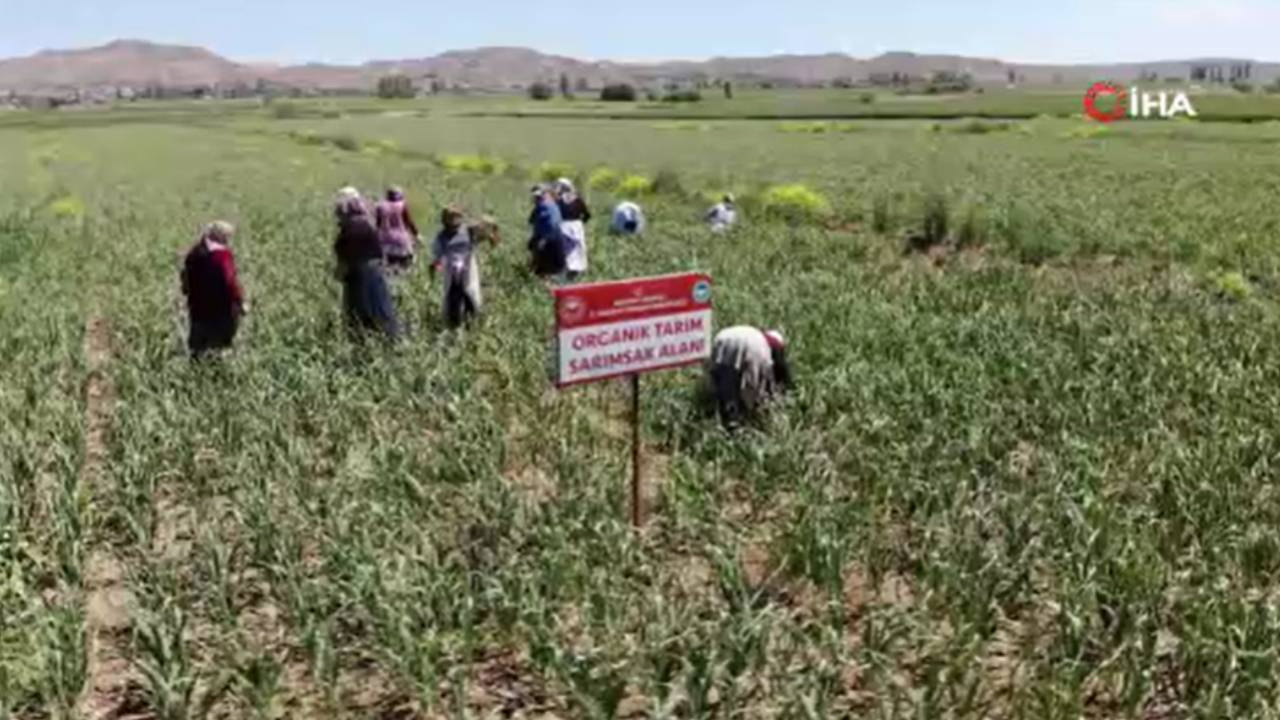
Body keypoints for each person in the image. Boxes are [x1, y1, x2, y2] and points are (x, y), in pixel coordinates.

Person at [333, 191, 399, 342]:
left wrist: (339, 274)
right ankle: (389, 339)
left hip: (358, 276)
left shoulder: (347, 232)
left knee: (359, 314)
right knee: (381, 309)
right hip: (376, 273)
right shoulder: (368, 226)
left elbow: (344, 260)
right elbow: (380, 252)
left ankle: (361, 342)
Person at [180, 221, 247, 360]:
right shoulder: (222, 255)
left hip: (197, 308)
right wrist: (239, 301)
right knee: (220, 348)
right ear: (222, 237)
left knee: (198, 349)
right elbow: (229, 281)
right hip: (221, 309)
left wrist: (187, 292)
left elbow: (185, 276)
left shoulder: (195, 252)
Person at [706, 326, 791, 430]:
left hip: (721, 337)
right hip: (751, 344)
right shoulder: (774, 343)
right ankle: (744, 419)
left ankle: (722, 414)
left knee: (725, 381)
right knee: (753, 385)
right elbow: (781, 369)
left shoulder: (756, 333)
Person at [431, 206, 484, 329]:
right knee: (453, 296)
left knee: (470, 294)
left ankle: (472, 321)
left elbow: (482, 234)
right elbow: (437, 252)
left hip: (468, 268)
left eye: (456, 218)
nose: (454, 222)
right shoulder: (442, 236)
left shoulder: (468, 231)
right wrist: (437, 264)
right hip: (451, 270)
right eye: (451, 219)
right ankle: (453, 323)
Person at [375, 186, 421, 271]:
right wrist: (417, 235)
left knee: (387, 269)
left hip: (385, 242)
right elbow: (409, 222)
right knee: (406, 266)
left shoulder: (380, 206)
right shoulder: (402, 205)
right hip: (401, 242)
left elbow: (378, 225)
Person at [555, 178, 591, 280]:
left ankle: (564, 274)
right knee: (578, 249)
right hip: (577, 226)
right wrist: (580, 223)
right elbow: (587, 215)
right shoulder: (578, 199)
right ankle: (575, 273)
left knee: (565, 250)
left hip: (563, 226)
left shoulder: (558, 201)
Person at [528, 185, 567, 277]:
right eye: (535, 197)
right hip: (543, 238)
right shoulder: (540, 207)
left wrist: (544, 240)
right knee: (540, 268)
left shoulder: (549, 206)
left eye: (539, 196)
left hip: (551, 240)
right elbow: (532, 222)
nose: (536, 198)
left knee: (550, 269)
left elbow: (554, 224)